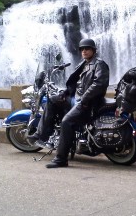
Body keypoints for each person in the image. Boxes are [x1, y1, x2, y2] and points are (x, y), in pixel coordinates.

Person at [27, 38, 110, 168]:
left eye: (87, 48)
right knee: (52, 100)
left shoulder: (99, 64)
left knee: (67, 121)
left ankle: (61, 159)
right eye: (82, 49)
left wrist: (84, 99)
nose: (84, 51)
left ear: (93, 50)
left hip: (88, 103)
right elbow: (76, 83)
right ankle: (41, 134)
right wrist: (65, 93)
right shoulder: (84, 63)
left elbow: (99, 84)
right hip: (77, 98)